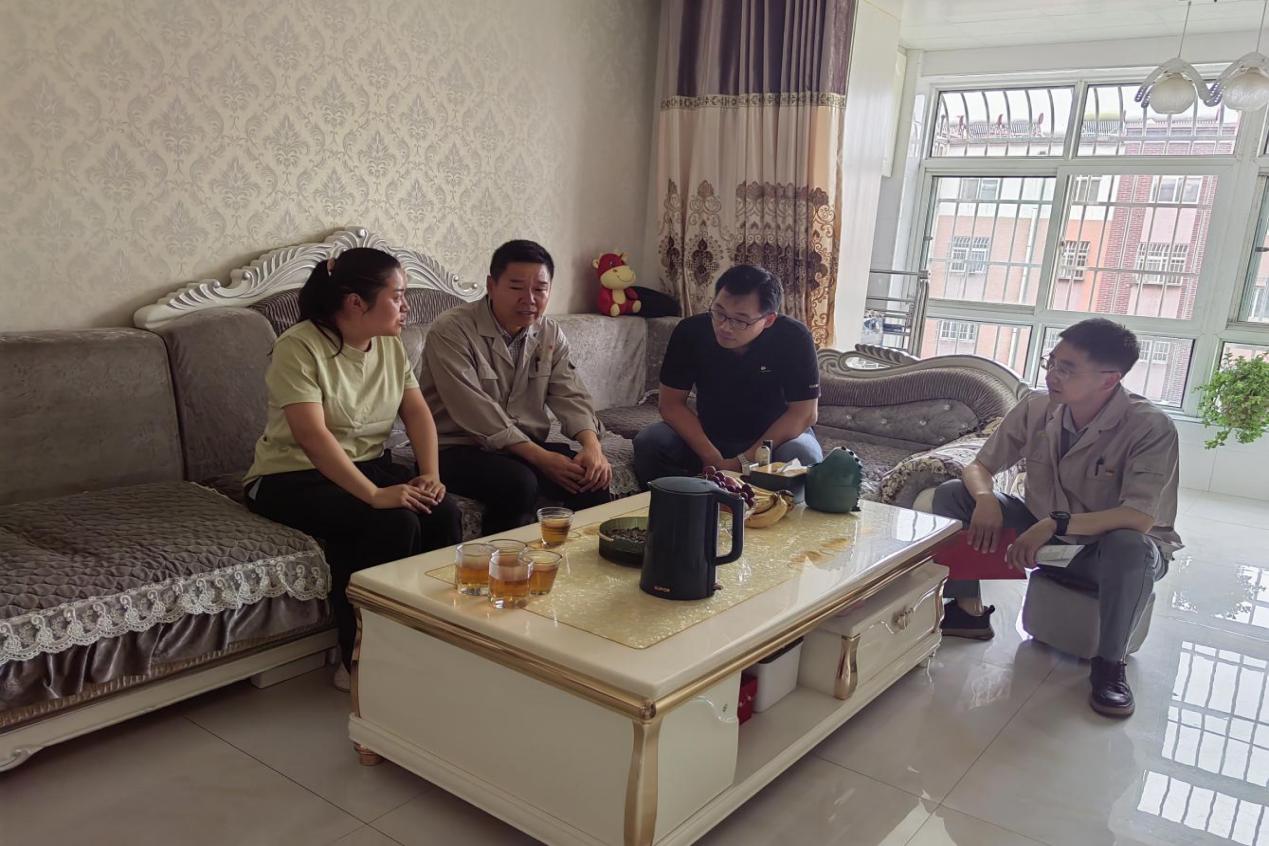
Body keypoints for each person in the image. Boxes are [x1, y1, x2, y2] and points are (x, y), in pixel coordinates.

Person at [933, 318, 1181, 718]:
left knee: (1129, 545)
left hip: (1106, 552)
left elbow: (1138, 517)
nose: (1052, 375)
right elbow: (979, 466)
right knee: (953, 495)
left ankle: (1109, 667)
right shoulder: (1037, 406)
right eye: (1051, 362)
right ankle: (967, 611)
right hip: (1045, 536)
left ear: (1109, 379)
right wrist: (985, 498)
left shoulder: (1150, 427)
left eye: (1067, 369)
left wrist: (1056, 523)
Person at [244, 247, 462, 691]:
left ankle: (430, 638)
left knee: (442, 511)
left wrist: (430, 474)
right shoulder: (299, 346)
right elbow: (312, 436)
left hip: (367, 465)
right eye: (397, 296)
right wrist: (375, 495)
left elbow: (417, 412)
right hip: (292, 476)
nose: (407, 306)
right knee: (392, 520)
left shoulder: (390, 345)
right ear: (356, 302)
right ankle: (360, 658)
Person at [421, 239, 612, 534]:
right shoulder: (452, 330)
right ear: (491, 285)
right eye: (516, 287)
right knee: (518, 483)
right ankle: (502, 560)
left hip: (522, 445)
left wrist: (593, 447)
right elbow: (474, 411)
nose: (529, 299)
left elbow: (570, 393)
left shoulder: (549, 333)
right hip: (455, 447)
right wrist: (542, 458)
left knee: (591, 478)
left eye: (540, 289)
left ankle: (577, 559)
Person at [633, 264, 823, 485]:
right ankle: (681, 502)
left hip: (774, 440)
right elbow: (670, 405)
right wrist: (711, 457)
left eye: (740, 320)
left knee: (802, 455)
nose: (724, 327)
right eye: (719, 313)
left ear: (768, 320)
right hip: (709, 435)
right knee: (650, 442)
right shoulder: (690, 332)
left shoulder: (793, 338)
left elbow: (804, 414)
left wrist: (744, 460)